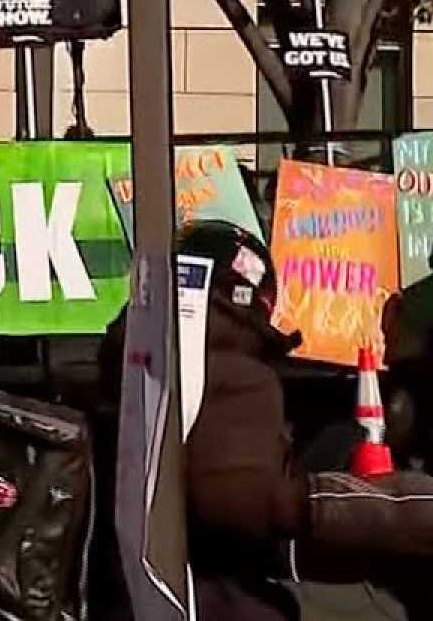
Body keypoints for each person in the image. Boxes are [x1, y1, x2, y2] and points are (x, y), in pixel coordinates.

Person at [94, 220, 433, 621]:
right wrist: (382, 508)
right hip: (199, 598)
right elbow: (244, 495)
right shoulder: (219, 360)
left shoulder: (150, 352)